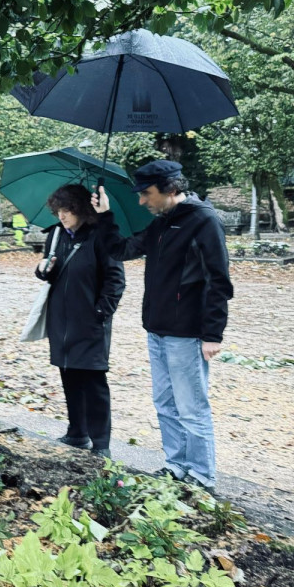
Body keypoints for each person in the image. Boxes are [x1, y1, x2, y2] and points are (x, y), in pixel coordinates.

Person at [92, 160, 233, 492]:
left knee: (191, 406)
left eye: (147, 194)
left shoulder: (204, 221)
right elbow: (121, 249)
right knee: (165, 403)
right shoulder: (161, 224)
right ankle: (177, 465)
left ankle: (202, 476)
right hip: (157, 329)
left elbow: (219, 281)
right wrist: (104, 215)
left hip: (187, 333)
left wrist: (213, 333)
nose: (142, 201)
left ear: (171, 190)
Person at [35, 184, 125, 459]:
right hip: (61, 321)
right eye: (59, 210)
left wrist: (99, 314)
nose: (62, 215)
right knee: (69, 375)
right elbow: (50, 271)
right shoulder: (57, 235)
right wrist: (42, 270)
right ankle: (77, 433)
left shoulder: (101, 236)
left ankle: (101, 444)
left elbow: (115, 281)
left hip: (90, 322)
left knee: (93, 382)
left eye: (68, 210)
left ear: (82, 209)